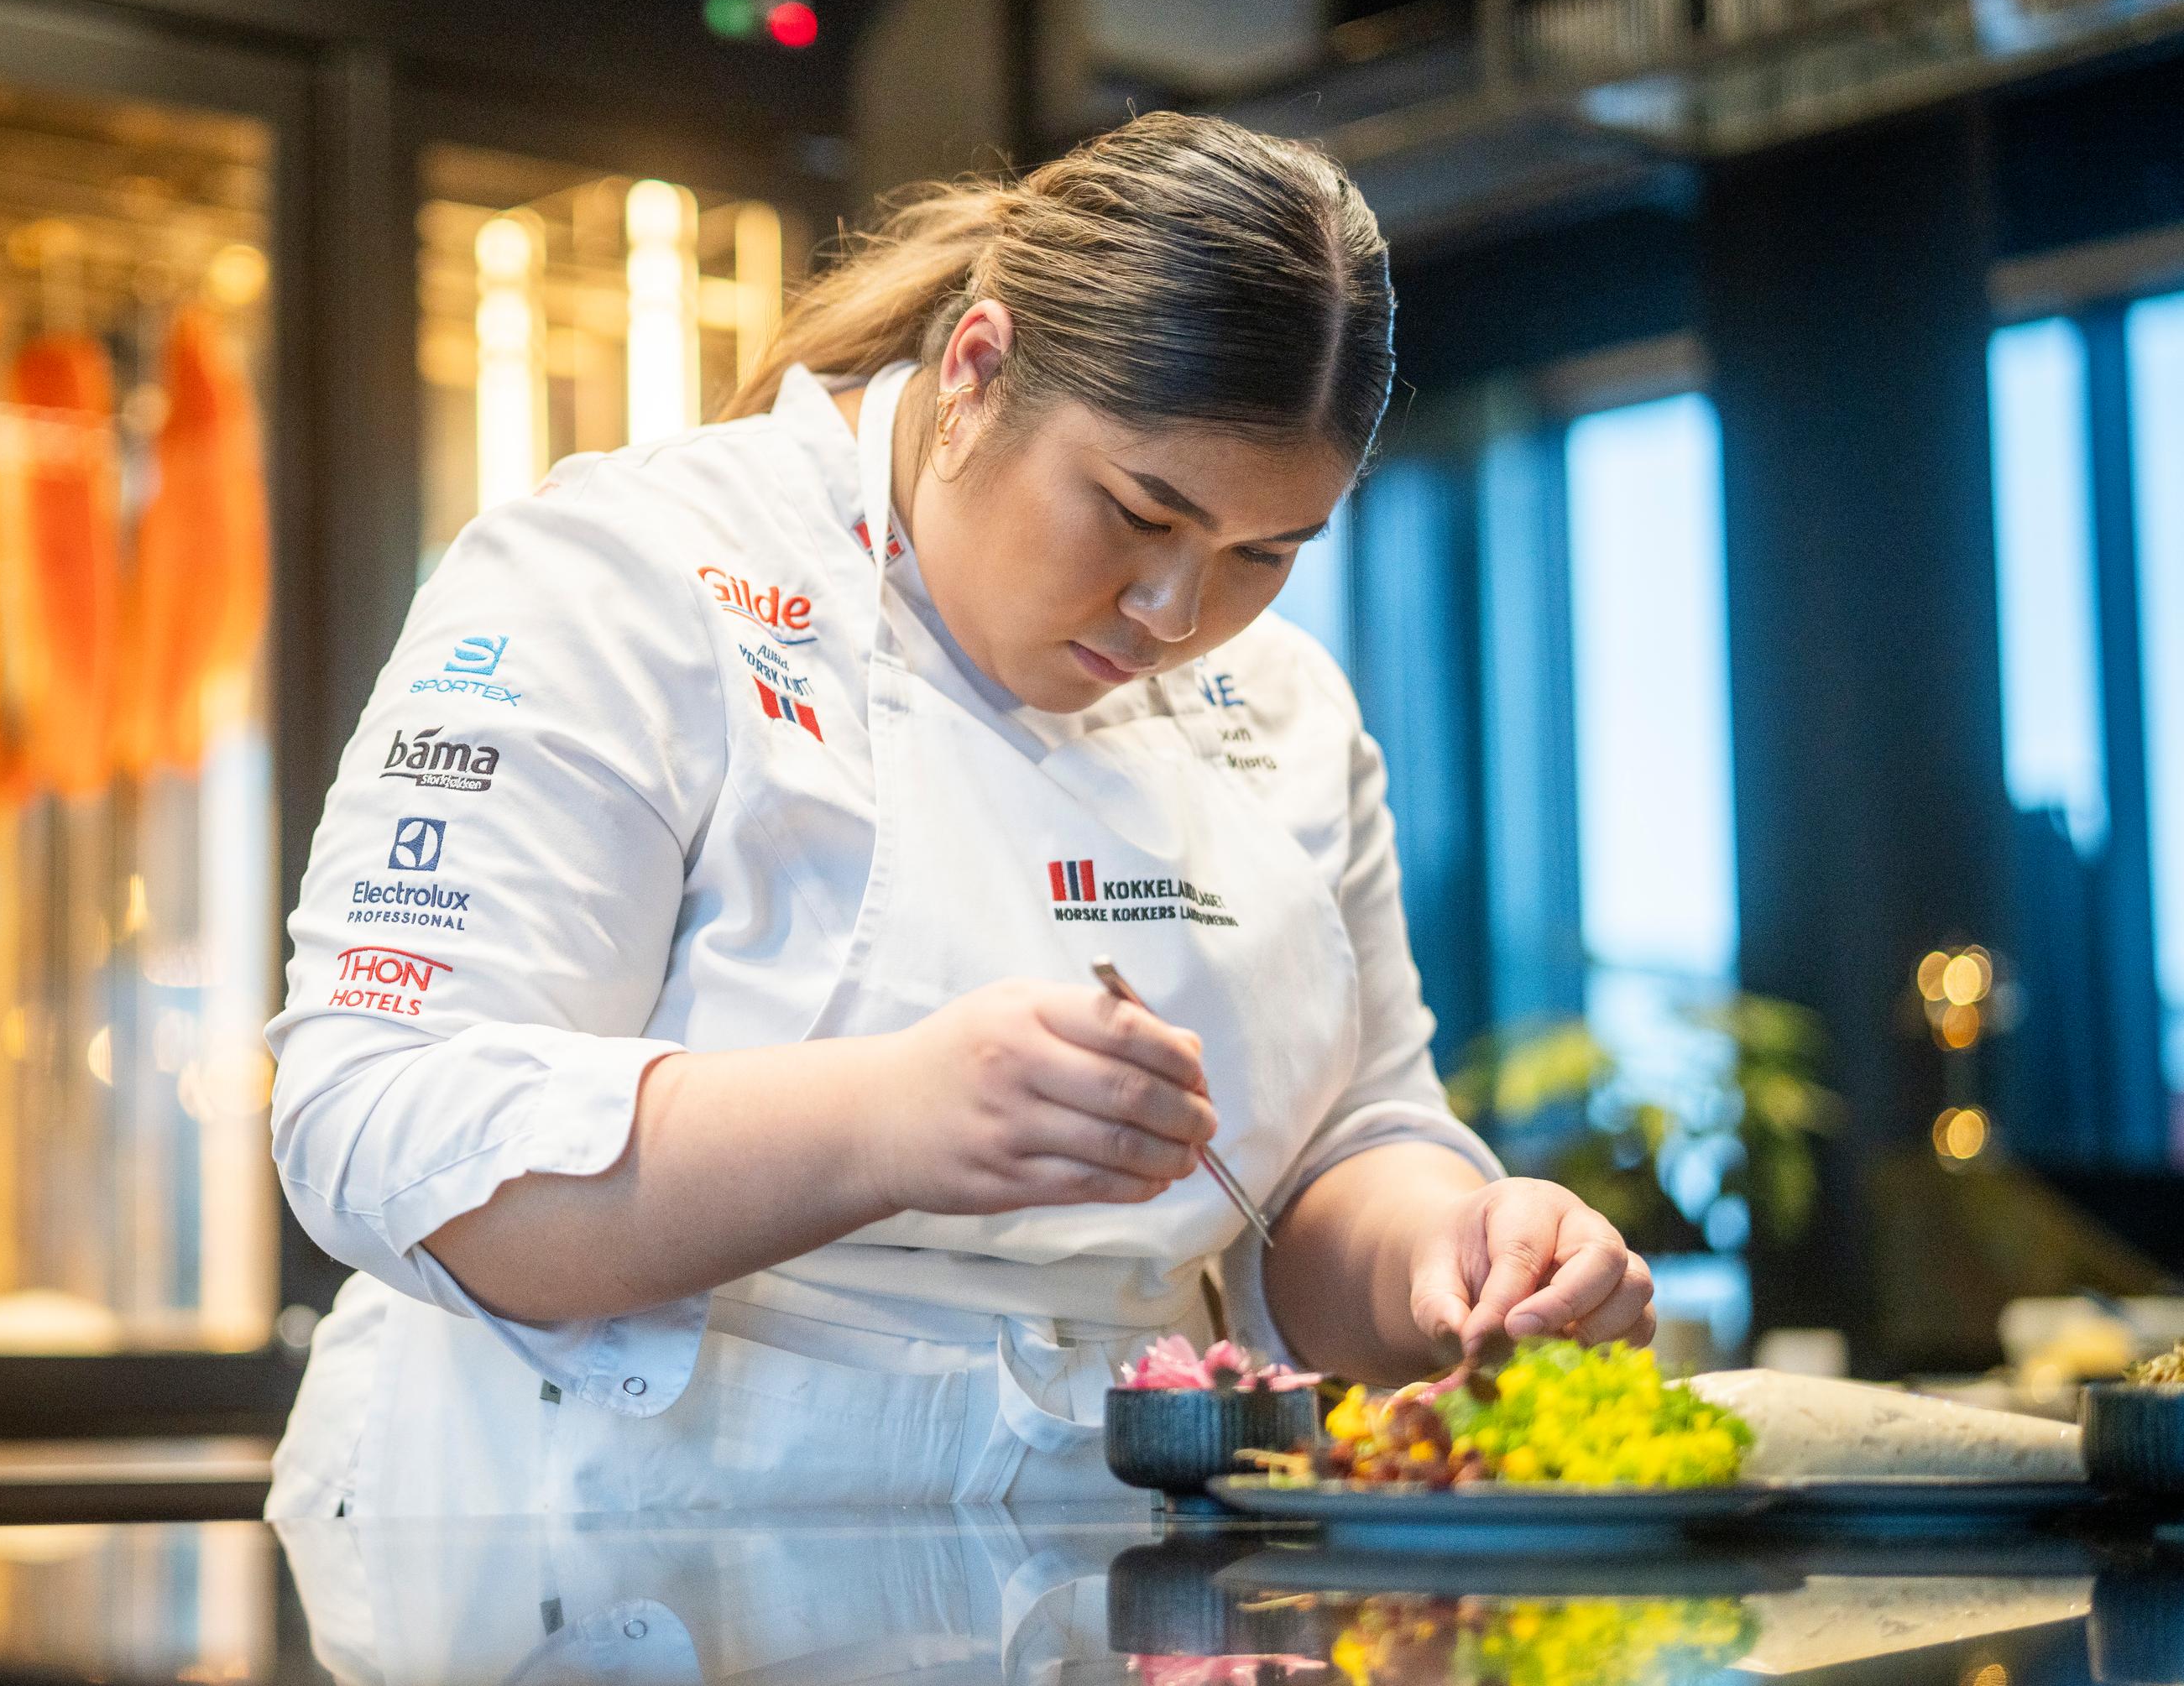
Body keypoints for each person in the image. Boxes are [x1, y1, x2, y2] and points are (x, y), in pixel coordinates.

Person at [265, 114, 1654, 1517]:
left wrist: (1456, 1254)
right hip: (608, 1559)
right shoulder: (624, 576)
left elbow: (1333, 1158)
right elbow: (376, 1119)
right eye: (1135, 512)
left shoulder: (1282, 705)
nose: (1177, 613)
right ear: (978, 373)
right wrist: (885, 1119)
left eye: (1263, 553)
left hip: (1100, 1565)